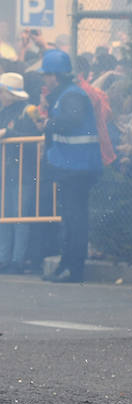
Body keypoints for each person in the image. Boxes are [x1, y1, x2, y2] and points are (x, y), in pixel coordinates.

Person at [36, 49, 103, 283]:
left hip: (77, 167)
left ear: (55, 75)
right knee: (71, 218)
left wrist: (49, 123)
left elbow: (72, 120)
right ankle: (67, 265)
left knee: (75, 219)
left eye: (46, 75)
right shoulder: (67, 94)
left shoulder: (71, 96)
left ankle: (73, 269)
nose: (44, 79)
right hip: (73, 166)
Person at [0, 71, 40, 274]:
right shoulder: (3, 112)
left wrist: (9, 134)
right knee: (4, 216)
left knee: (20, 217)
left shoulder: (27, 111)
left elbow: (32, 139)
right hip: (5, 172)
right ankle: (3, 258)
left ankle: (17, 259)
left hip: (23, 172)